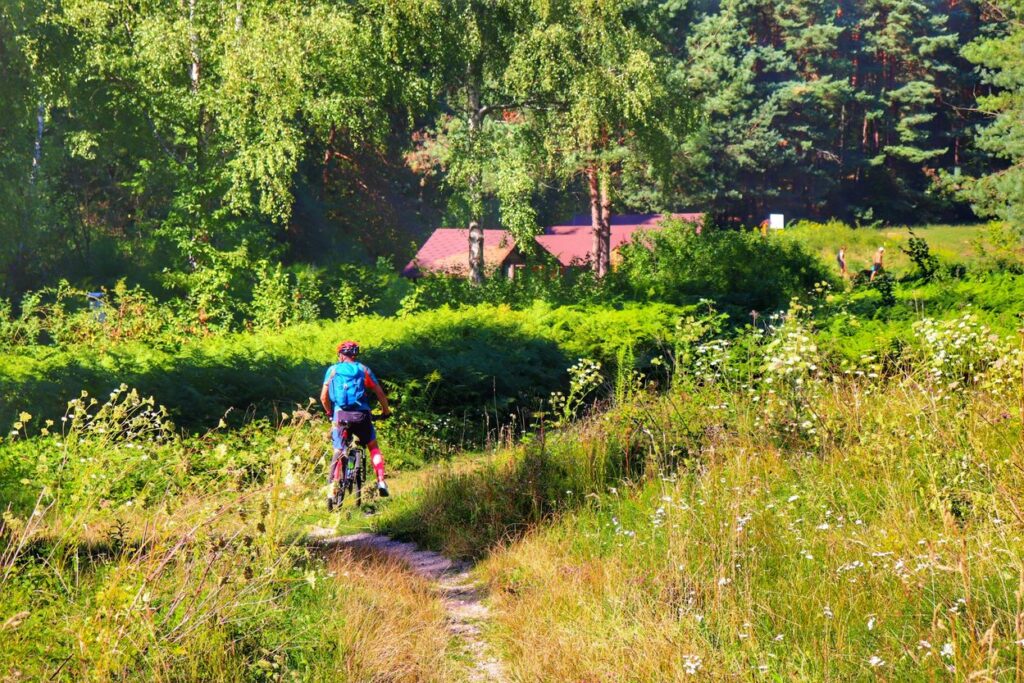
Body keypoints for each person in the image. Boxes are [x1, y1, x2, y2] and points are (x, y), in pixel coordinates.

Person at [320, 341, 392, 497]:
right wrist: (386, 411)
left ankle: (332, 487)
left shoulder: (332, 370)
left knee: (338, 449)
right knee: (372, 445)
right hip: (362, 415)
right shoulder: (363, 369)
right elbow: (379, 393)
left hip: (340, 415)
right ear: (355, 354)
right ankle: (381, 481)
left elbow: (323, 397)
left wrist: (329, 413)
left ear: (340, 355)